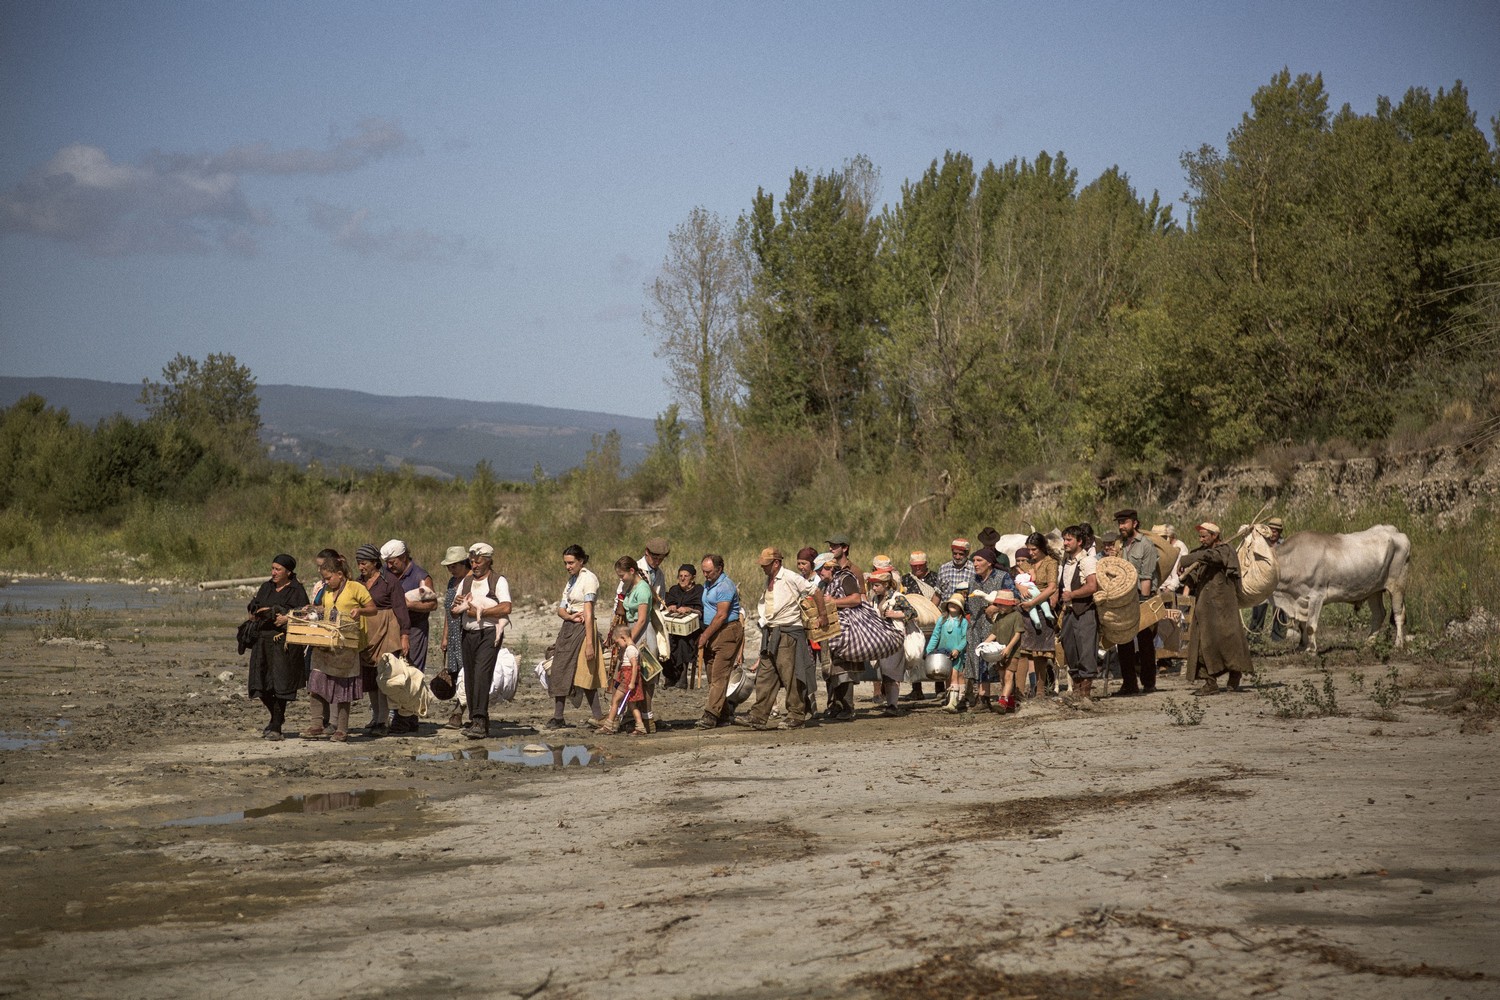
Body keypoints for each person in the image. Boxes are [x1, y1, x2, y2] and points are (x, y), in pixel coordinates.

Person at [741, 547, 817, 730]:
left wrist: (821, 616)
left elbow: (814, 590)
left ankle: (796, 714)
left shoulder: (790, 577)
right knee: (766, 674)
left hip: (788, 632)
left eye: (766, 564)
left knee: (790, 674)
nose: (763, 568)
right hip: (772, 632)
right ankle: (758, 715)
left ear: (776, 563)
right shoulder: (770, 579)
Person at [303, 553, 375, 742]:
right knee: (317, 681)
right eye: (324, 578)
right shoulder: (325, 591)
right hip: (327, 643)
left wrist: (360, 611)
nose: (326, 582)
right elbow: (322, 609)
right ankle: (317, 724)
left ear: (340, 574)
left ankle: (342, 728)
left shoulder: (355, 588)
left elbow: (372, 608)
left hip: (347, 644)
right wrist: (311, 611)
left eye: (329, 578)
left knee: (343, 685)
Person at [1175, 522, 1253, 694]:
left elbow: (1213, 557)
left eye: (1204, 536)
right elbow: (1195, 574)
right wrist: (1186, 574)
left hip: (1224, 606)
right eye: (1200, 536)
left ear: (1215, 536)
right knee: (1202, 643)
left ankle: (1235, 675)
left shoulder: (1226, 550)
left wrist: (1190, 558)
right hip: (1205, 606)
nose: (1201, 539)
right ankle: (1210, 683)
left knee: (1229, 641)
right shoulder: (1201, 553)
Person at [451, 541, 512, 739]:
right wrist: (457, 607)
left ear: (488, 561)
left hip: (489, 633)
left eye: (478, 562)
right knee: (469, 676)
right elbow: (455, 609)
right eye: (472, 561)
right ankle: (475, 719)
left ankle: (479, 719)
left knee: (481, 674)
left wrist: (482, 612)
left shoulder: (498, 581)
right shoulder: (466, 582)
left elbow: (506, 608)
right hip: (468, 633)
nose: (474, 565)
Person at [244, 554, 309, 740]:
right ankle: (276, 718)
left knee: (281, 684)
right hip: (262, 641)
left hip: (284, 642)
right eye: (272, 568)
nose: (273, 572)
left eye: (277, 569)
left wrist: (286, 617)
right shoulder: (266, 587)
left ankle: (276, 726)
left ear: (288, 572)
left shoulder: (297, 590)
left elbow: (304, 613)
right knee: (260, 683)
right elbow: (255, 606)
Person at [546, 544, 607, 730]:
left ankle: (598, 715)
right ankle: (558, 716)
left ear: (581, 561)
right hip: (570, 626)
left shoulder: (588, 579)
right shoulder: (572, 580)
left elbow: (588, 612)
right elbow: (561, 609)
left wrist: (590, 642)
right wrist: (570, 616)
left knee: (585, 672)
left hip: (583, 628)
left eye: (571, 563)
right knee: (560, 668)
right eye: (565, 563)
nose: (568, 566)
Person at [354, 543, 411, 737]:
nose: (361, 567)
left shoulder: (390, 582)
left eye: (364, 563)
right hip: (366, 632)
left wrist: (405, 635)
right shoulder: (358, 583)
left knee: (383, 676)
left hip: (387, 628)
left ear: (374, 563)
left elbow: (400, 609)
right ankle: (376, 716)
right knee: (369, 676)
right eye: (358, 564)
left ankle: (383, 720)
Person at [382, 539, 436, 733]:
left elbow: (432, 604)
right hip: (393, 629)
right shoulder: (387, 574)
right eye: (387, 562)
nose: (389, 566)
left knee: (412, 671)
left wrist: (406, 605)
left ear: (404, 557)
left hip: (415, 630)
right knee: (395, 673)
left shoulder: (421, 576)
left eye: (393, 562)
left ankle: (406, 718)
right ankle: (405, 716)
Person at [1113, 509, 1161, 696]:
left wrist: (1144, 603)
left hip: (1141, 597)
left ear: (1135, 523)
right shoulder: (1122, 545)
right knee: (1123, 641)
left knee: (1145, 642)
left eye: (1124, 522)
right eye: (1119, 523)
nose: (1121, 526)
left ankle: (1149, 683)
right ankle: (1129, 683)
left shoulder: (1146, 545)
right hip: (1124, 598)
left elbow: (1147, 576)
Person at [615, 555, 665, 733]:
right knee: (633, 677)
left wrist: (629, 641)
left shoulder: (642, 589)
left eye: (622, 576)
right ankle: (636, 718)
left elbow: (642, 619)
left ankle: (647, 718)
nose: (621, 579)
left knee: (646, 676)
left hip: (642, 634)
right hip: (632, 629)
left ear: (631, 571)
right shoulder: (631, 587)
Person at [695, 553, 744, 729]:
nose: (705, 575)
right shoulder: (709, 584)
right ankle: (723, 713)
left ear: (719, 569)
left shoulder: (725, 586)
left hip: (727, 631)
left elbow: (722, 614)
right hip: (713, 631)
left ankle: (710, 714)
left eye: (708, 572)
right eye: (703, 571)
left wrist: (705, 636)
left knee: (719, 675)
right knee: (711, 674)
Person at [964, 545, 1015, 711]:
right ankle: (983, 697)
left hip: (997, 626)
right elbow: (968, 604)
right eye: (974, 561)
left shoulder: (1002, 577)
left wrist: (996, 605)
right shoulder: (973, 580)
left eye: (979, 561)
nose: (975, 564)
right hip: (976, 626)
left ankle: (1007, 699)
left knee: (998, 662)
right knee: (978, 659)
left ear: (990, 563)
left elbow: (1014, 596)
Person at [1058, 525, 1102, 703]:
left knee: (1086, 651)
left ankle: (1085, 695)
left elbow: (1092, 586)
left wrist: (1073, 595)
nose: (1065, 543)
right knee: (1071, 651)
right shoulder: (1066, 561)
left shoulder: (1088, 561)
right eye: (1065, 539)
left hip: (1085, 611)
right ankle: (1076, 693)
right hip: (1069, 611)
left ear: (1080, 541)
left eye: (1069, 540)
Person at [1015, 536, 1060, 697]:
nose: (1031, 552)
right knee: (1022, 652)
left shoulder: (1050, 563)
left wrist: (1033, 602)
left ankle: (1040, 692)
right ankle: (1018, 692)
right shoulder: (1028, 563)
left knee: (1041, 654)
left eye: (1034, 549)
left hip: (1042, 607)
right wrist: (1020, 587)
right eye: (1029, 549)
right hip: (1025, 608)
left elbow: (1051, 587)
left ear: (1042, 548)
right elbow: (1018, 578)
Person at [866, 569, 914, 717]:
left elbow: (912, 612)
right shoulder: (875, 599)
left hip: (894, 638)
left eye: (877, 585)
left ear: (886, 584)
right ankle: (891, 704)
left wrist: (894, 614)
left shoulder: (897, 598)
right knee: (886, 673)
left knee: (891, 672)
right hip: (881, 639)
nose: (874, 588)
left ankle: (893, 705)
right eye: (873, 585)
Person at [436, 545, 470, 729]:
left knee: (467, 673)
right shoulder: (451, 583)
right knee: (456, 673)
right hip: (454, 634)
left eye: (454, 566)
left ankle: (458, 712)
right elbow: (448, 613)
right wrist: (445, 636)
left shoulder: (472, 581)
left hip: (467, 632)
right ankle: (463, 709)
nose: (451, 569)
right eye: (449, 566)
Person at [601, 624, 647, 735]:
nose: (618, 645)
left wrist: (631, 682)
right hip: (627, 677)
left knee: (615, 700)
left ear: (623, 637)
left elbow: (634, 666)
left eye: (617, 642)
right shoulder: (631, 648)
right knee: (631, 704)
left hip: (627, 678)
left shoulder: (631, 649)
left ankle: (609, 725)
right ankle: (640, 726)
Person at [663, 563, 703, 688]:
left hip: (693, 628)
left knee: (683, 641)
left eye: (686, 576)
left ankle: (682, 676)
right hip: (674, 626)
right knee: (666, 641)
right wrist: (671, 607)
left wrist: (689, 609)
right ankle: (670, 675)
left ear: (693, 578)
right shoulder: (675, 589)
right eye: (680, 576)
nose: (683, 578)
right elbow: (667, 604)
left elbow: (701, 611)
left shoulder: (699, 591)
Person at [927, 596, 969, 712]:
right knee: (946, 675)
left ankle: (955, 702)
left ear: (961, 608)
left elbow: (965, 638)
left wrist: (958, 649)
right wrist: (929, 650)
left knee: (955, 674)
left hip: (956, 653)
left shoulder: (963, 622)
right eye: (951, 604)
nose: (953, 606)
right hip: (942, 653)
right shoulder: (942, 620)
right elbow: (935, 635)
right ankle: (950, 698)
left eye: (956, 604)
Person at [1248, 517, 1287, 641]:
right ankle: (1255, 635)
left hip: (1279, 581)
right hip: (1263, 580)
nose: (1273, 533)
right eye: (1271, 530)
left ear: (1280, 532)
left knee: (1280, 609)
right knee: (1259, 606)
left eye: (1275, 531)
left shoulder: (1285, 545)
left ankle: (1278, 637)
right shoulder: (1261, 543)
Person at [986, 591, 1025, 711]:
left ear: (1010, 605)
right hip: (1000, 652)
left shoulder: (1016, 616)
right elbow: (994, 633)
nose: (1000, 607)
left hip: (1012, 652)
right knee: (1002, 677)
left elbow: (1018, 634)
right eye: (999, 605)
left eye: (1003, 605)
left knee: (1008, 675)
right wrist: (985, 643)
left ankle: (1002, 701)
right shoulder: (999, 617)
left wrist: (1009, 648)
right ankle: (1009, 701)